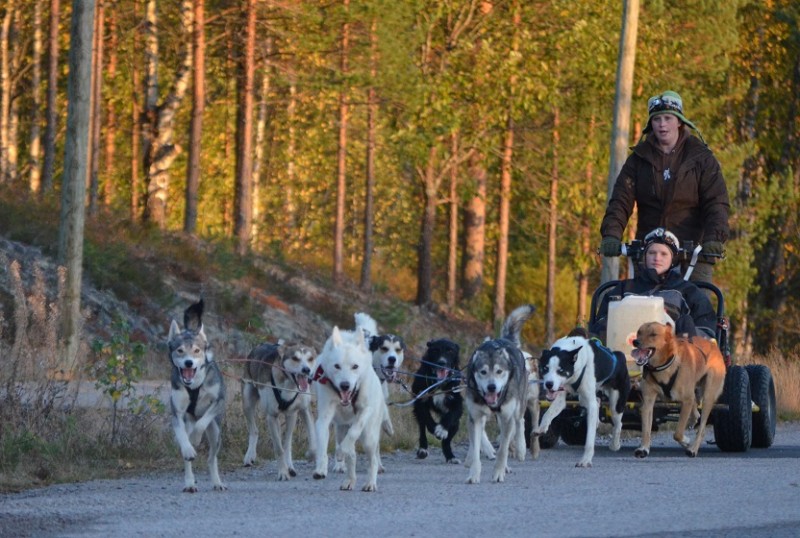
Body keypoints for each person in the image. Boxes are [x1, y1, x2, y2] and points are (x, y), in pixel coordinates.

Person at [599, 90, 730, 283]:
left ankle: (710, 314)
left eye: (668, 118)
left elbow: (716, 203)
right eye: (656, 119)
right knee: (634, 305)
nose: (662, 125)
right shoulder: (638, 160)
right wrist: (611, 235)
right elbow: (620, 201)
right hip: (650, 251)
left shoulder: (701, 159)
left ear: (679, 122)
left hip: (691, 253)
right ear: (650, 124)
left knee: (700, 305)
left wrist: (714, 239)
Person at [591, 228, 716, 340]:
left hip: (672, 357)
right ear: (645, 257)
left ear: (672, 259)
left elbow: (707, 331)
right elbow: (601, 326)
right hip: (625, 351)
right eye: (652, 253)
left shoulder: (687, 292)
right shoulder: (624, 289)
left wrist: (686, 331)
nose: (657, 258)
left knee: (686, 323)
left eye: (664, 254)